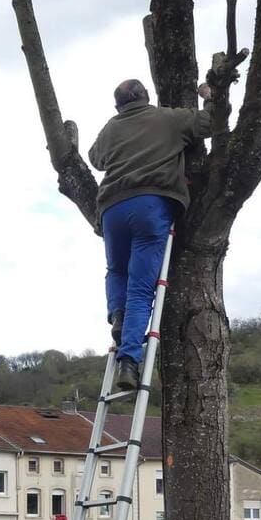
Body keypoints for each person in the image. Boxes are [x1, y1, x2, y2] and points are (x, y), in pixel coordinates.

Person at [88, 78, 213, 391]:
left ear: (118, 105)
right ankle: (128, 360)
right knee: (142, 288)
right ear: (146, 97)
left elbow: (95, 158)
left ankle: (118, 315)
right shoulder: (169, 118)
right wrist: (211, 97)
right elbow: (212, 122)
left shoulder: (111, 128)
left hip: (112, 209)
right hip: (150, 203)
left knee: (116, 271)